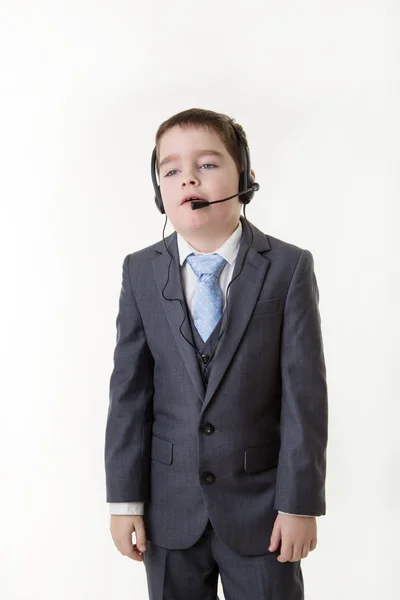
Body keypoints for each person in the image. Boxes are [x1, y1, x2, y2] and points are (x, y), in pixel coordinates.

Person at [104, 108, 328, 600]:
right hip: (170, 510)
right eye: (171, 170)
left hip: (263, 510)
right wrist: (125, 501)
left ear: (245, 179)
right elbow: (129, 394)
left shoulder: (288, 267)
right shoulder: (140, 271)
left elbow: (304, 397)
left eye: (207, 164)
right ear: (158, 192)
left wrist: (299, 504)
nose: (188, 178)